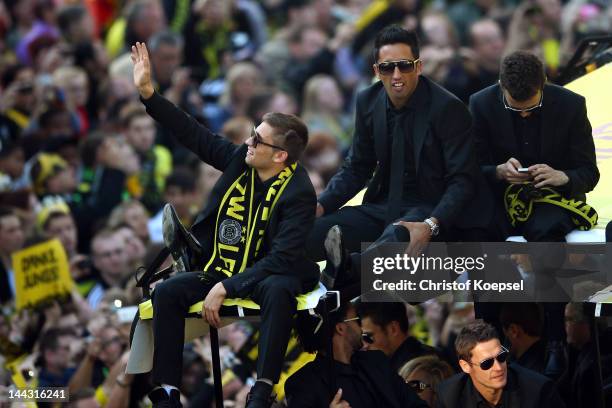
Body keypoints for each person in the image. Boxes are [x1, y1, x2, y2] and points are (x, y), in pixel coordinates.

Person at [130, 42, 319, 408]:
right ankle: (166, 392)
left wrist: (227, 287)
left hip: (267, 275)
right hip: (221, 267)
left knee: (281, 289)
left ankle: (261, 389)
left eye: (258, 140)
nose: (248, 142)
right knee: (167, 293)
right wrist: (149, 95)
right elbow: (193, 133)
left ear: (280, 156)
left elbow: (281, 258)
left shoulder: (299, 193)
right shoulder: (240, 160)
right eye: (252, 133)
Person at [305, 25, 491, 287]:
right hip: (382, 205)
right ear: (375, 71)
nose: (396, 75)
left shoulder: (449, 108)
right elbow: (357, 167)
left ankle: (349, 273)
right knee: (311, 232)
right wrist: (321, 206)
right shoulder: (367, 100)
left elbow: (463, 181)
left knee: (397, 235)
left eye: (404, 66)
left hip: (431, 206)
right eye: (387, 68)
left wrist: (431, 224)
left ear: (418, 67)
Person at [285, 300, 428, 408]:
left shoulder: (376, 361)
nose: (362, 327)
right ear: (341, 328)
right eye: (357, 319)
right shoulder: (303, 384)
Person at [436, 320, 565, 408]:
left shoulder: (538, 391)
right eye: (487, 363)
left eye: (501, 357)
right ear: (465, 366)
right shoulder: (449, 396)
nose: (498, 367)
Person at [359, 302, 439, 372]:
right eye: (361, 338)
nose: (364, 346)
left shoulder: (418, 369)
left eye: (367, 337)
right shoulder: (427, 355)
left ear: (393, 329)